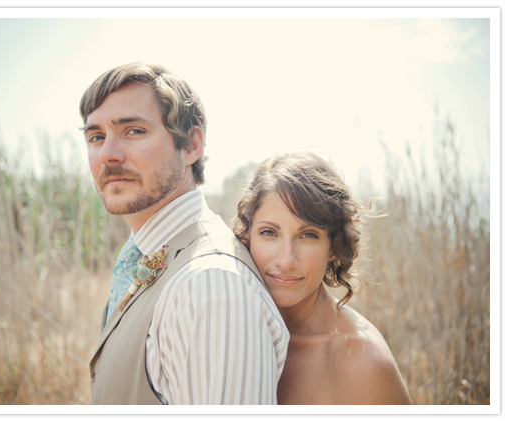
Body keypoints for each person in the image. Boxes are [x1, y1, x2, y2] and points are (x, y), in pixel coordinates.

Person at [80, 62, 289, 405]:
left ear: (192, 145)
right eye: (96, 137)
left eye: (133, 131)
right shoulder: (151, 255)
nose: (107, 155)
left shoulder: (211, 285)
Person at [233, 152, 412, 405]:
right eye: (269, 232)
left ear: (333, 246)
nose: (286, 260)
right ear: (247, 236)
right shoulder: (233, 331)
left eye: (308, 235)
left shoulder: (363, 360)